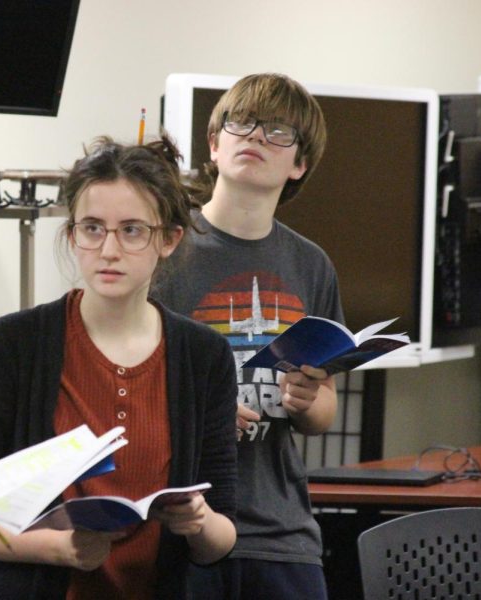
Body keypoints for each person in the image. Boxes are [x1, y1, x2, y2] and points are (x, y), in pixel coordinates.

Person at [0, 136, 239, 599]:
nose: (109, 249)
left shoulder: (203, 356)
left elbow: (221, 539)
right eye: (92, 228)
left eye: (132, 230)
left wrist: (199, 522)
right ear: (72, 234)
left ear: (169, 239)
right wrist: (53, 549)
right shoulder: (10, 346)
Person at [154, 73, 338, 599]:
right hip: (183, 526)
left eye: (278, 132)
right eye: (241, 124)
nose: (255, 137)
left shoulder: (312, 265)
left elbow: (324, 407)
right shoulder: (165, 248)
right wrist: (200, 412)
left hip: (282, 534)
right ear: (214, 144)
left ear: (299, 164)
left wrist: (306, 401)